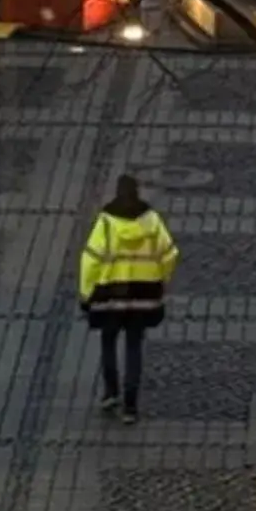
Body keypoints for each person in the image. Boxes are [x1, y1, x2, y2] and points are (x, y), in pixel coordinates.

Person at [78, 172, 178, 422]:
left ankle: (111, 392)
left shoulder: (107, 223)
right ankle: (131, 407)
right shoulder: (151, 221)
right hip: (143, 294)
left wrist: (86, 292)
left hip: (111, 294)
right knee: (134, 348)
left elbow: (91, 260)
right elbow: (169, 254)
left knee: (108, 342)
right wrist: (160, 279)